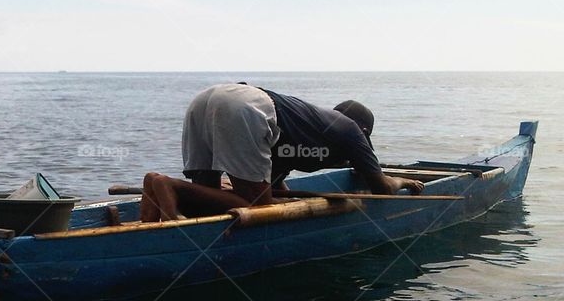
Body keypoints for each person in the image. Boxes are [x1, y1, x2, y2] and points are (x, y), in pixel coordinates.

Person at [140, 82, 425, 222]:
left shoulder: (314, 124)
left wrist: (273, 192)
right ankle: (167, 184)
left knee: (203, 198)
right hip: (249, 107)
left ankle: (152, 220)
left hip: (207, 98)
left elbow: (273, 179)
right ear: (364, 131)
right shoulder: (352, 130)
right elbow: (382, 189)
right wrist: (402, 181)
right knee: (259, 208)